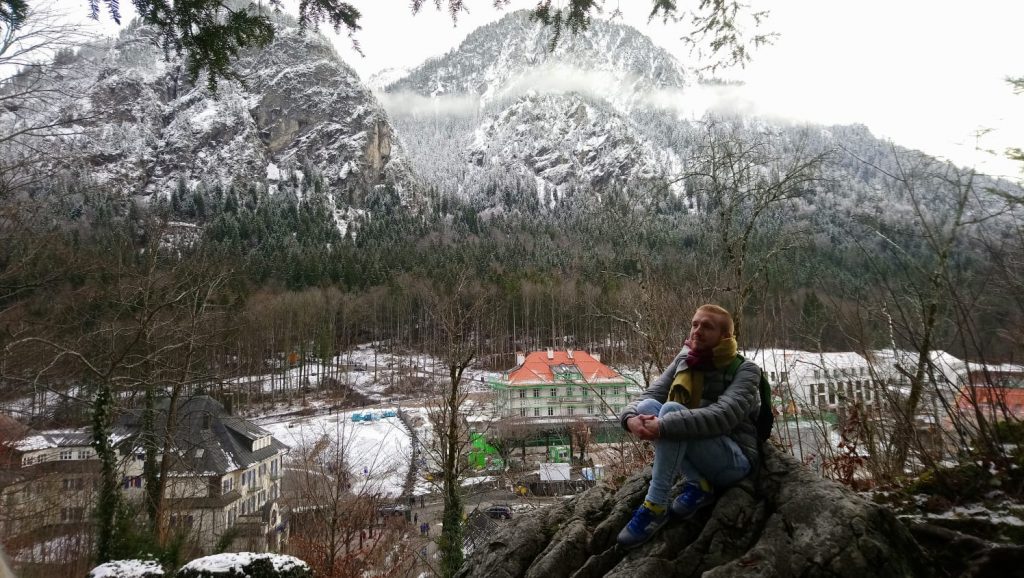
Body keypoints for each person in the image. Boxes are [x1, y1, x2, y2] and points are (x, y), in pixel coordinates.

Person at [616, 304, 761, 547]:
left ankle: (655, 506)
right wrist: (630, 419)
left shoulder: (746, 370)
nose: (697, 330)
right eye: (695, 324)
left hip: (734, 461)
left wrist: (663, 426)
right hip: (700, 453)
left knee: (671, 412)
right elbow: (649, 395)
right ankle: (698, 484)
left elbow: (722, 416)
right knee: (648, 408)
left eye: (707, 326)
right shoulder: (686, 360)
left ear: (725, 336)